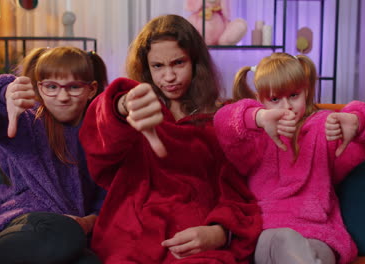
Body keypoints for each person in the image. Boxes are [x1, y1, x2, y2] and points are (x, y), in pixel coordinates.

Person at [79, 14, 262, 264]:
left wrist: (219, 233)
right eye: (158, 66)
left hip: (193, 245)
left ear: (196, 63)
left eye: (178, 63)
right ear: (145, 68)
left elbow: (237, 193)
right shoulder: (132, 111)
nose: (169, 77)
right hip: (131, 239)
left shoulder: (221, 119)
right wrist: (123, 104)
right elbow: (98, 138)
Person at [213, 52, 365, 264]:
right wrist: (259, 117)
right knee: (283, 240)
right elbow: (222, 122)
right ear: (260, 100)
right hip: (269, 231)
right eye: (275, 99)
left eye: (294, 95)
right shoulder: (255, 137)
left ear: (306, 91)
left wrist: (359, 120)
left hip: (320, 235)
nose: (287, 106)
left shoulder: (326, 127)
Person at [0, 46, 108, 264]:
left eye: (73, 87)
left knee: (89, 259)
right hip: (20, 225)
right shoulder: (28, 122)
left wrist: (86, 223)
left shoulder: (100, 135)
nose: (62, 97)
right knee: (63, 232)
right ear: (39, 88)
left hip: (67, 236)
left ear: (91, 89)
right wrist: (4, 93)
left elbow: (105, 199)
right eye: (51, 87)